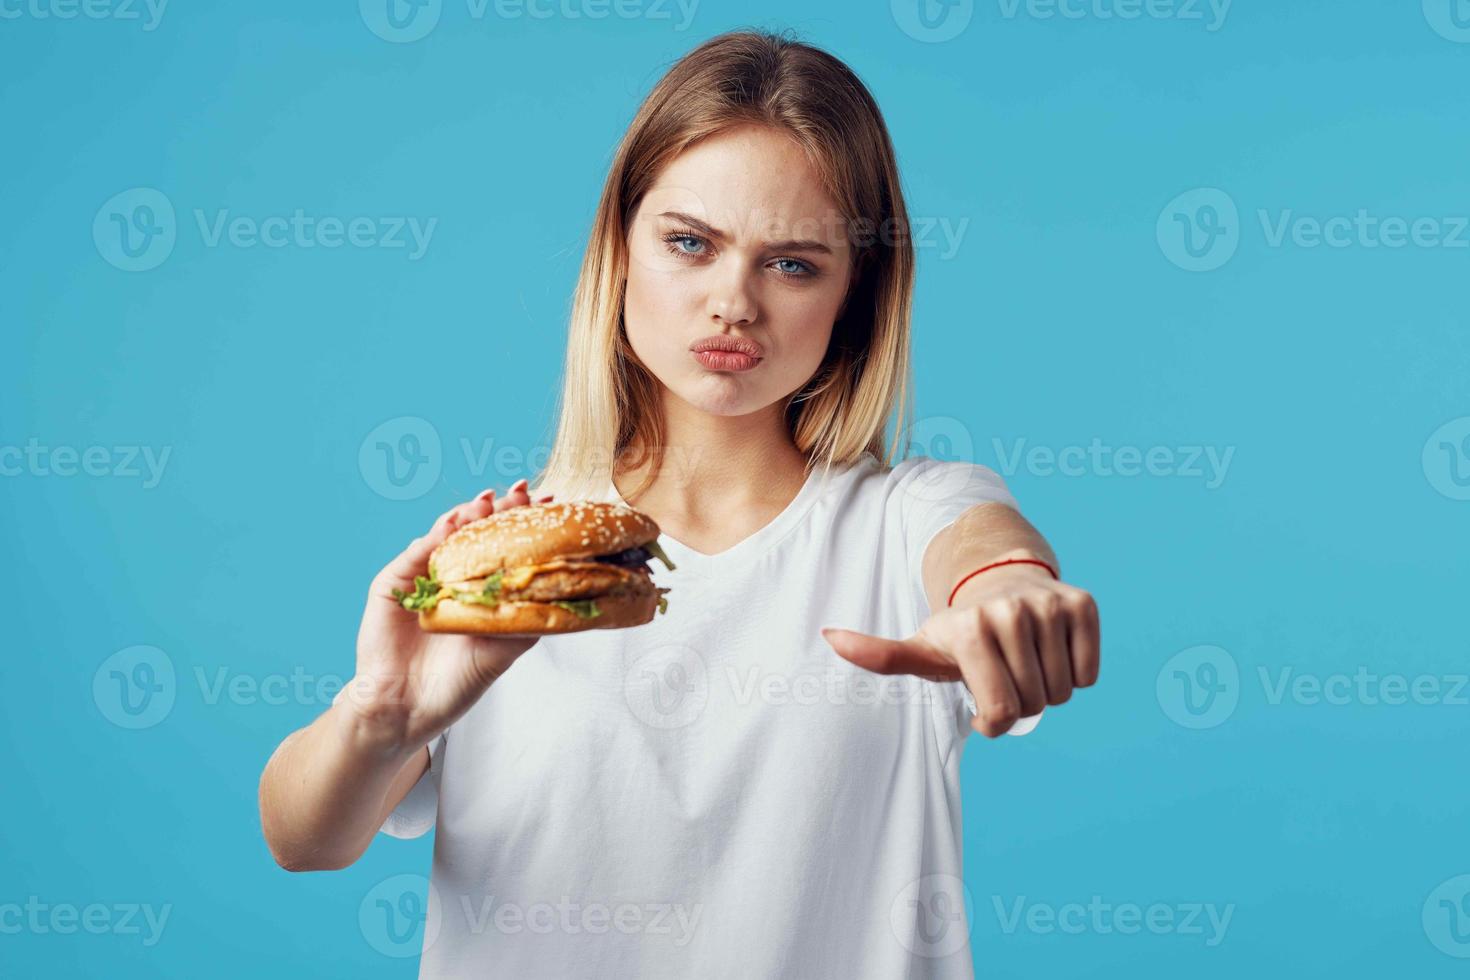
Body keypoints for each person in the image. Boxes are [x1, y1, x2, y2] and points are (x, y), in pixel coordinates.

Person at [259, 28, 1099, 978]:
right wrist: (383, 714)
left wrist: (1006, 597)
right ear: (621, 251)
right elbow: (305, 840)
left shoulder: (905, 517)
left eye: (793, 263)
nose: (733, 302)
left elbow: (985, 548)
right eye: (690, 243)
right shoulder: (507, 569)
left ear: (854, 297)